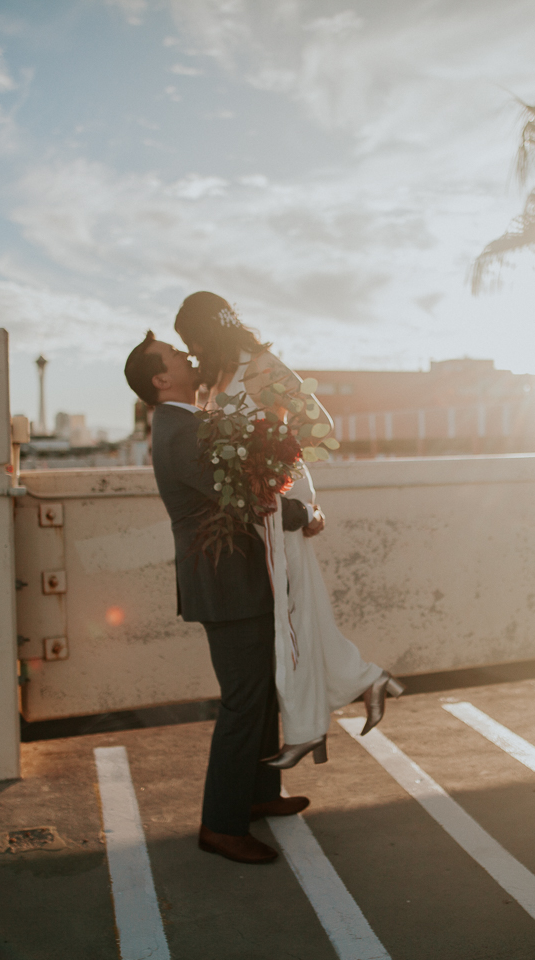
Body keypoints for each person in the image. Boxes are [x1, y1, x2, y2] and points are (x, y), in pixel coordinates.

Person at [173, 291, 404, 771]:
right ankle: (356, 688)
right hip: (255, 502)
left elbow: (318, 424)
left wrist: (269, 462)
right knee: (296, 608)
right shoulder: (215, 379)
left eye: (191, 341)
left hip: (278, 493)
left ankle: (309, 727)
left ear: (206, 330)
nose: (191, 353)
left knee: (291, 614)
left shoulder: (259, 365)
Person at [124, 331, 315, 865]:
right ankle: (220, 825)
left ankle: (258, 794)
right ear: (161, 379)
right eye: (174, 355)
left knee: (258, 692)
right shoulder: (179, 430)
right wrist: (303, 515)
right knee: (241, 701)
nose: (187, 355)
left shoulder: (186, 421)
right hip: (225, 583)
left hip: (238, 578)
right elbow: (243, 496)